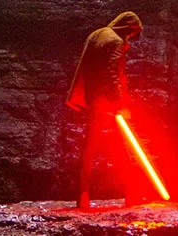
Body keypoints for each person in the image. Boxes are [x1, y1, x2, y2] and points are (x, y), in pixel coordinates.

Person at [65, 11, 144, 209]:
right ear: (128, 28)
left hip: (93, 99)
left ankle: (82, 196)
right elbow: (111, 73)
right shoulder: (116, 40)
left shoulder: (96, 34)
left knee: (89, 147)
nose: (131, 38)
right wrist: (120, 103)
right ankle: (131, 194)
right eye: (133, 34)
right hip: (108, 102)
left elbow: (88, 67)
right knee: (123, 145)